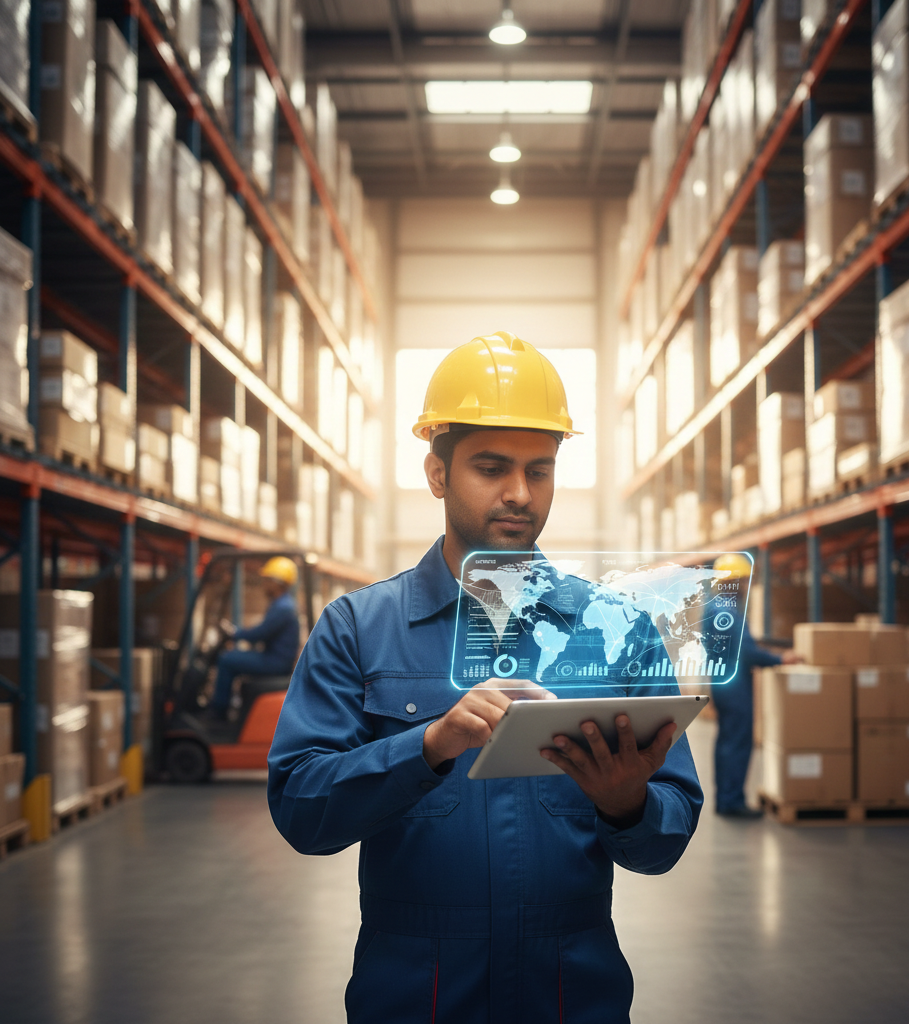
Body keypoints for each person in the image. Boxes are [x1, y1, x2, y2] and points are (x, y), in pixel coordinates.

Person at [267, 332, 703, 1024]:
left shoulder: (617, 630)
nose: (518, 494)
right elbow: (299, 809)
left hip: (571, 996)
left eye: (539, 469)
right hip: (417, 997)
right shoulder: (357, 627)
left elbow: (667, 835)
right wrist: (427, 747)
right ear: (437, 473)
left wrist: (628, 806)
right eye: (491, 467)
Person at [710, 553, 801, 818]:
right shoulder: (727, 610)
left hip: (723, 682)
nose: (747, 586)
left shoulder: (716, 607)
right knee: (737, 743)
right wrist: (781, 659)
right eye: (745, 580)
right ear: (734, 581)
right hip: (735, 686)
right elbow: (746, 652)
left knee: (727, 742)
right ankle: (731, 801)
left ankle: (726, 798)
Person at [209, 556, 300, 718]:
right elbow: (264, 634)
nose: (263, 584)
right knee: (233, 659)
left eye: (267, 580)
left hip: (276, 662)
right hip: (275, 658)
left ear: (277, 582)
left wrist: (235, 634)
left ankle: (218, 713)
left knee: (227, 660)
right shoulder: (281, 604)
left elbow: (260, 633)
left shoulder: (283, 607)